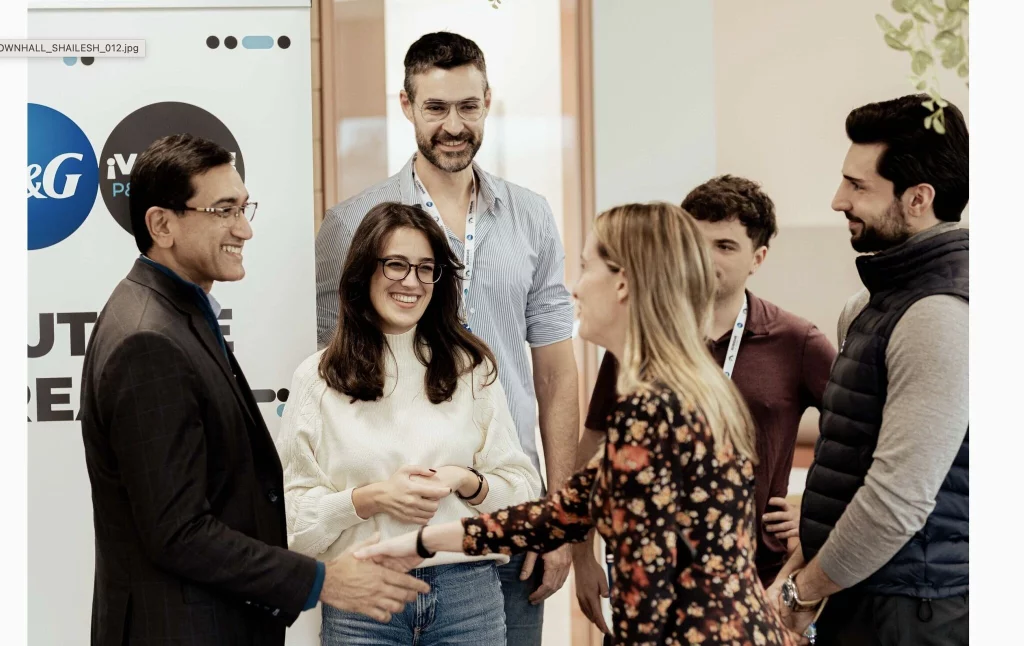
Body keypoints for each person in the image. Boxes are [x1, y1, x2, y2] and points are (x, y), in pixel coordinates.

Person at [355, 202, 799, 646]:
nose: (576, 288)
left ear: (622, 283)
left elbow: (648, 601)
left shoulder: (653, 411)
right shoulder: (683, 390)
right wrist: (420, 543)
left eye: (586, 267)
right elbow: (558, 515)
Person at [79, 134, 429, 646]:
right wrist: (322, 580)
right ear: (162, 224)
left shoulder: (175, 314)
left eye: (244, 208)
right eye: (223, 210)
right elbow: (177, 533)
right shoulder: (147, 341)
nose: (244, 229)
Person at [314, 31, 578, 642]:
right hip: (388, 526)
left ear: (488, 101)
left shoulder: (531, 215)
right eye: (435, 108)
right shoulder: (352, 222)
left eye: (467, 106)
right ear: (405, 105)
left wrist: (557, 518)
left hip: (507, 513)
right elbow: (330, 378)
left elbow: (557, 376)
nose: (453, 125)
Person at [571, 175, 836, 633]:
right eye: (697, 242)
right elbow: (594, 447)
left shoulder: (797, 341)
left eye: (726, 246)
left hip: (759, 583)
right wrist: (583, 557)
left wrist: (812, 513)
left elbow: (857, 440)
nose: (707, 259)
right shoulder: (641, 333)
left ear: (758, 259)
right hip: (651, 582)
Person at [277, 202, 542, 645]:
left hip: (467, 594)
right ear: (365, 272)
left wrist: (466, 481)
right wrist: (372, 498)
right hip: (363, 596)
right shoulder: (317, 378)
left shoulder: (471, 369)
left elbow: (523, 495)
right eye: (396, 265)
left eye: (425, 269)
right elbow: (294, 524)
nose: (412, 282)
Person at [770, 95, 969, 645]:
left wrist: (801, 591)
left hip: (915, 611)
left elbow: (897, 499)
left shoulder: (939, 315)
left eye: (858, 186)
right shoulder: (868, 307)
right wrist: (799, 578)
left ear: (918, 199)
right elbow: (846, 467)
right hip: (859, 595)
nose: (838, 200)